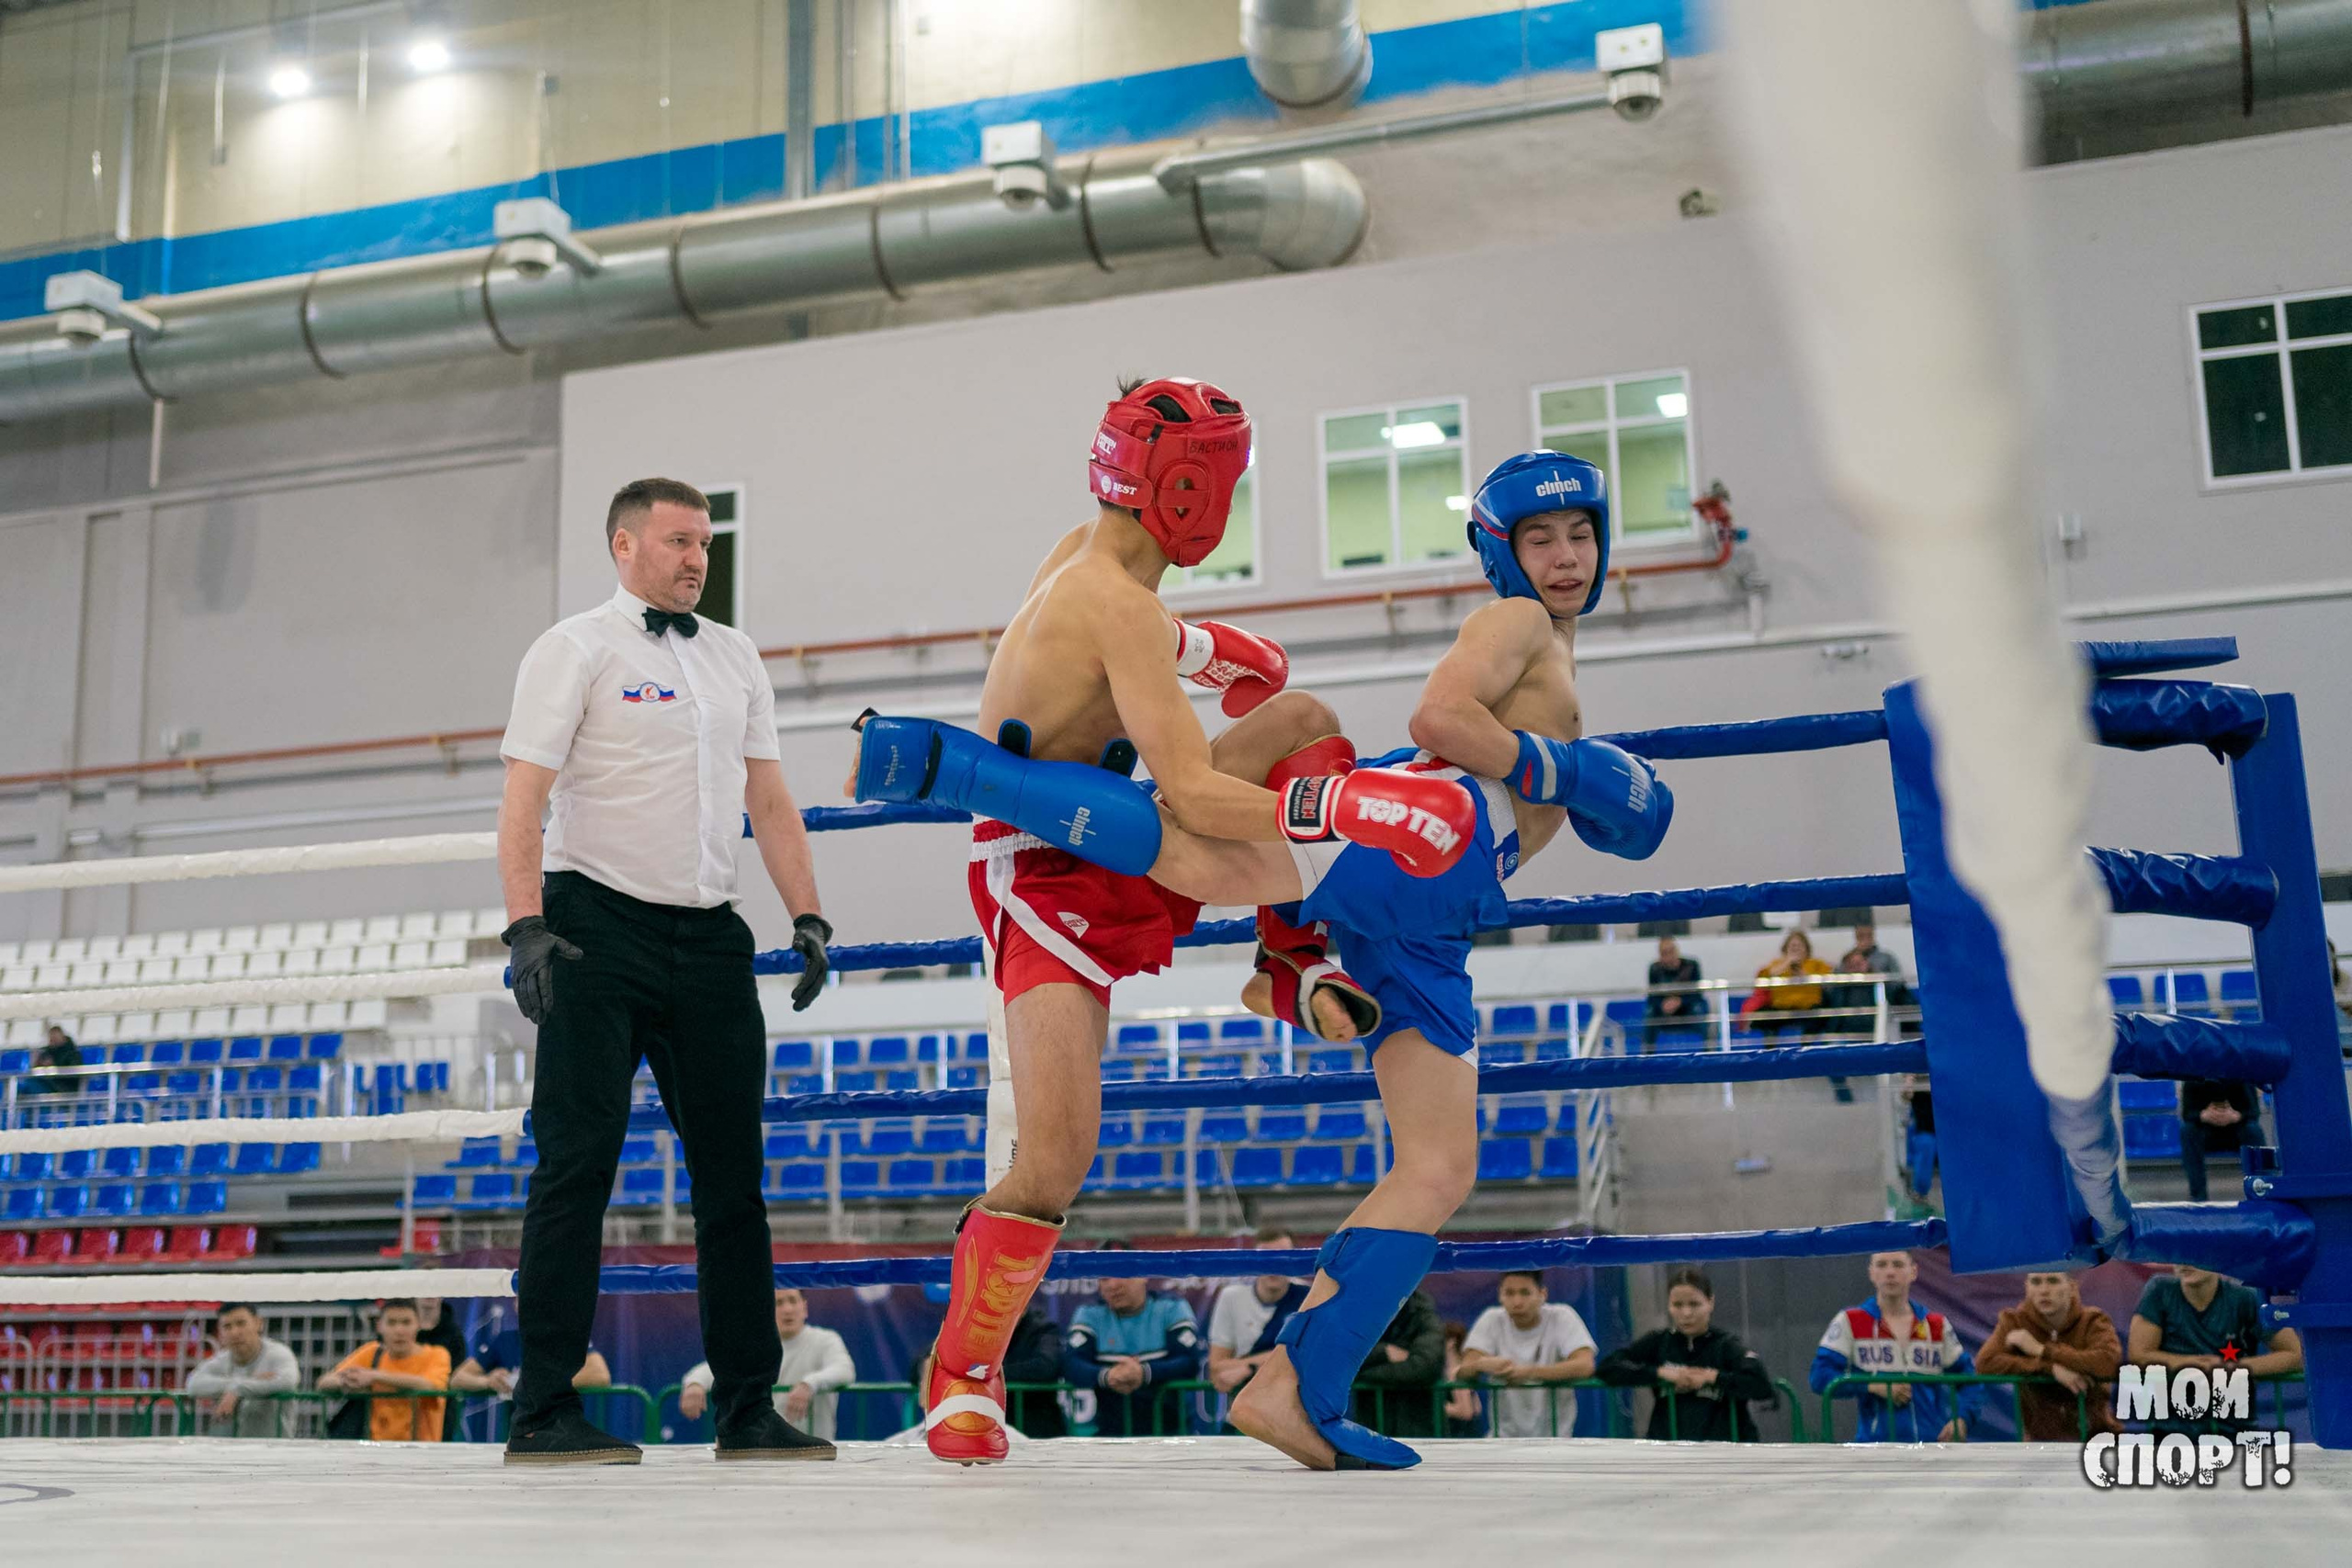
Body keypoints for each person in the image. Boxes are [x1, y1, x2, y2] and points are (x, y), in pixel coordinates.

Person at [854, 447, 1670, 1472]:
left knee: (1438, 1167)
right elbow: (1435, 721)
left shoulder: (1133, 600)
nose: (1563, 557)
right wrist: (1563, 768)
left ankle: (1294, 1385)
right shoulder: (1510, 625)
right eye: (1539, 539)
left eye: (1579, 535)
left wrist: (1200, 650)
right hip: (1408, 852)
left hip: (1438, 909)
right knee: (1196, 854)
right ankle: (966, 775)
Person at [496, 476, 836, 1466]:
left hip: (709, 938)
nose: (696, 558)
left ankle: (746, 1411)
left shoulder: (734, 657)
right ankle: (544, 1409)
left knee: (736, 1182)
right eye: (680, 541)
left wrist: (807, 911)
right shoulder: (574, 648)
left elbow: (769, 800)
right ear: (625, 545)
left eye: (705, 544)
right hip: (591, 930)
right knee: (575, 1168)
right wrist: (524, 927)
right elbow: (525, 798)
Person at [1809, 1251, 1979, 1443]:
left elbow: (1970, 1381)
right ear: (1871, 1272)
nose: (1890, 1272)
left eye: (1898, 1265)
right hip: (1875, 1451)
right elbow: (1820, 1377)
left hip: (1932, 1448)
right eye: (1882, 1265)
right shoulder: (1851, 1321)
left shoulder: (1936, 1325)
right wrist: (1872, 1385)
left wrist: (1962, 1420)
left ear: (1913, 1271)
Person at [1595, 1265, 1772, 1441]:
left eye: (1694, 1304)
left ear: (1710, 1302)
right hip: (1669, 1450)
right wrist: (1659, 1373)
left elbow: (1762, 1385)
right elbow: (1608, 1367)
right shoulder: (1659, 1342)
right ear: (1669, 1305)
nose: (1686, 1313)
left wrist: (1713, 1377)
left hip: (1722, 1451)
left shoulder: (1725, 1345)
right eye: (1677, 1305)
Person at [2128, 1264, 2303, 1438]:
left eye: (2197, 1251)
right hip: (2169, 1433)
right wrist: (2194, 1366)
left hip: (2235, 1431)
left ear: (2218, 1254)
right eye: (2179, 1252)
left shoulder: (2246, 1297)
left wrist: (2232, 1369)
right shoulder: (2159, 1290)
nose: (2185, 1260)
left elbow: (2296, 1355)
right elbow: (2138, 1355)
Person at [679, 1288, 857, 1440]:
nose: (787, 1309)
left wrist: (809, 1384)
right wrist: (695, 1384)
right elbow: (716, 1369)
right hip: (761, 1452)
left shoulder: (825, 1340)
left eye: (793, 1301)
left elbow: (844, 1370)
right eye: (779, 1303)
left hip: (811, 1451)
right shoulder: (755, 1345)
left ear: (805, 1307)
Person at [1062, 1253, 1204, 1438]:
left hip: (1172, 1434)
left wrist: (1143, 1373)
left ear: (1143, 1274)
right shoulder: (1089, 1313)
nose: (1113, 1285)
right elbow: (1071, 1364)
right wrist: (1108, 1376)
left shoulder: (1172, 1307)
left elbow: (1189, 1362)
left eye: (1121, 1273)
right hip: (1110, 1435)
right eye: (1104, 1278)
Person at [1973, 1270, 2122, 1441]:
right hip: (2041, 1441)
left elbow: (2108, 1362)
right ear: (2027, 1287)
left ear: (2072, 1287)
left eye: (2053, 1281)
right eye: (2036, 1282)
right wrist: (2050, 1368)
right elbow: (1985, 1364)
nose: (2044, 1290)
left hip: (2096, 1439)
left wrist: (2041, 1350)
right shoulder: (2014, 1321)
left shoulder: (2093, 1320)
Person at [1457, 1271, 1599, 1438]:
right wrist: (1481, 1365)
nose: (1517, 1302)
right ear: (1500, 1295)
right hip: (1502, 1440)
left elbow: (1585, 1365)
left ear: (1542, 1294)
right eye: (1509, 1293)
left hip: (1556, 1439)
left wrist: (1528, 1372)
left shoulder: (1562, 1316)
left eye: (1525, 1293)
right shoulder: (1491, 1319)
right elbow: (1463, 1371)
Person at [317, 1299, 453, 1442]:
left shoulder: (437, 1355)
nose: (399, 1331)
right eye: (391, 1323)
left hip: (420, 1451)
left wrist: (375, 1377)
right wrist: (350, 1382)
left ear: (418, 1325)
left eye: (406, 1322)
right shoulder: (371, 1352)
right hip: (375, 1451)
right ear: (379, 1326)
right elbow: (324, 1382)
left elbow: (430, 1386)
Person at [1205, 1229, 1306, 1414]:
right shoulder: (1231, 1298)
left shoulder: (1307, 1297)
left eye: (1283, 1256)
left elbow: (1306, 1358)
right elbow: (1217, 1368)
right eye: (1266, 1256)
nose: (1274, 1265)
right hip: (1247, 1412)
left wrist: (1249, 1368)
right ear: (1254, 1260)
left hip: (1295, 1411)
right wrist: (1275, 1362)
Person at [185, 1303, 300, 1438]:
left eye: (241, 1324)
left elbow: (288, 1381)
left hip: (272, 1451)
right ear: (220, 1331)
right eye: (227, 1327)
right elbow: (193, 1384)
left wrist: (238, 1390)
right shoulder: (221, 1359)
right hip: (226, 1451)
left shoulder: (279, 1354)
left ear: (258, 1323)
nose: (234, 1332)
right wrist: (242, 1384)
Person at [1350, 1288, 1446, 1439]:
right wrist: (1384, 1352)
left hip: (1419, 1428)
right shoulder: (1361, 1311)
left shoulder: (1423, 1313)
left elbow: (1425, 1366)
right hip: (1371, 1430)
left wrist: (1363, 1374)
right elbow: (1344, 1357)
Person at [2177, 1078, 2264, 1201]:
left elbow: (2254, 1112)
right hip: (2207, 1133)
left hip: (2237, 1131)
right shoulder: (2193, 1076)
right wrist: (2203, 1115)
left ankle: (2260, 1191)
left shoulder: (2241, 1074)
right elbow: (2187, 1114)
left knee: (2253, 1130)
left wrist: (2236, 1116)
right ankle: (2198, 1196)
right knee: (2187, 1131)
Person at [1749, 930, 1832, 1044]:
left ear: (1806, 948)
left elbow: (1825, 983)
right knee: (1765, 1016)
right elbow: (1767, 977)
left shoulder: (1817, 964)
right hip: (1782, 1008)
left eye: (1799, 945)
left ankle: (1805, 1050)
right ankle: (1771, 1053)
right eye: (1792, 946)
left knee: (1821, 1015)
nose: (1796, 949)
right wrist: (1787, 962)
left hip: (1808, 1008)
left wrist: (1802, 972)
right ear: (1786, 948)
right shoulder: (1777, 964)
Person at [411, 1296, 471, 1441]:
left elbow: (448, 1381)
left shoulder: (454, 1336)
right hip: (399, 1414)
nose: (429, 1293)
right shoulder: (397, 1334)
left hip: (441, 1415)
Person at [1643, 935, 1702, 1053]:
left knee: (1698, 1008)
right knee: (1649, 1012)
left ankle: (1707, 1049)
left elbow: (1697, 994)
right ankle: (1647, 1054)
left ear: (1677, 951)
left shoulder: (1692, 965)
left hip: (1687, 1007)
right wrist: (1662, 1005)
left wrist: (1680, 1002)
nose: (1669, 955)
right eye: (1664, 953)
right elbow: (1652, 997)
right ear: (1660, 955)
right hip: (1663, 1010)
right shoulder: (1655, 969)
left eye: (1671, 951)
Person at [1439, 1322, 1484, 1437]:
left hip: (1462, 1436)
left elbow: (1466, 1411)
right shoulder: (1459, 1370)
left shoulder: (1456, 1373)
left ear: (1451, 1342)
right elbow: (1477, 1407)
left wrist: (1436, 1407)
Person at [24, 1024, 81, 1097]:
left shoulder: (73, 1054)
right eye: (52, 1039)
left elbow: (74, 1075)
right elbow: (36, 1068)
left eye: (55, 1038)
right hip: (49, 1084)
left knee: (30, 1086)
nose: (53, 1041)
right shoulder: (47, 1052)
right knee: (28, 1085)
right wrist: (37, 1062)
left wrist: (54, 1066)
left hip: (63, 1088)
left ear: (62, 1038)